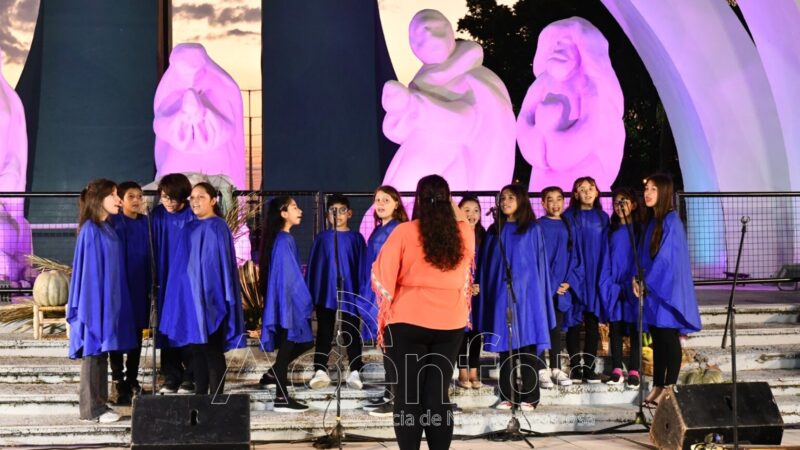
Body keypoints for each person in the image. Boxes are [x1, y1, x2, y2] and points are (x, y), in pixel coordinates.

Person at [371, 174, 474, 450]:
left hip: (406, 322)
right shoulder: (464, 233)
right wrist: (446, 200)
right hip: (450, 324)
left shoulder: (404, 231)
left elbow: (381, 276)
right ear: (448, 200)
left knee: (407, 397)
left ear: (418, 200)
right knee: (437, 396)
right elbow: (459, 218)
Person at [159, 182, 246, 395]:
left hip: (211, 300)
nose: (195, 201)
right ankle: (200, 398)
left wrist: (212, 296)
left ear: (213, 200)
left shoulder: (218, 227)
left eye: (201, 197)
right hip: (191, 299)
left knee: (212, 351)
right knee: (196, 350)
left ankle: (216, 400)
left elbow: (219, 267)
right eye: (192, 197)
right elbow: (181, 266)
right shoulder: (188, 227)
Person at [475, 184, 555, 411]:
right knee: (505, 349)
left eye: (511, 198)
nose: (505, 202)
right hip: (501, 295)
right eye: (503, 198)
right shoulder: (494, 231)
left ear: (521, 200)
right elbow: (488, 267)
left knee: (527, 347)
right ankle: (508, 395)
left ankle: (531, 396)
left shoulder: (531, 229)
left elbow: (538, 266)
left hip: (527, 297)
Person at [67, 179, 138, 423]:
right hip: (95, 301)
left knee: (101, 353)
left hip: (109, 301)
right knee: (93, 351)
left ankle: (100, 404)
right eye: (114, 195)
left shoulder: (107, 226)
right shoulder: (90, 230)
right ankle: (91, 410)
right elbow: (89, 275)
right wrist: (93, 308)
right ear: (100, 199)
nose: (119, 200)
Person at [634, 174, 702, 407]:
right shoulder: (652, 222)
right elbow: (644, 255)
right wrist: (637, 278)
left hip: (666, 292)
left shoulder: (672, 221)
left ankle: (670, 387)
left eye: (654, 189)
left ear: (664, 193)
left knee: (668, 338)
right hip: (652, 290)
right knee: (658, 341)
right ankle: (658, 385)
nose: (648, 193)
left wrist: (647, 281)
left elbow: (666, 260)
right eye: (647, 188)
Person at [258, 196, 314, 412]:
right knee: (290, 345)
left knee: (300, 343)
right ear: (283, 213)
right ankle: (281, 396)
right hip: (287, 303)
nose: (299, 211)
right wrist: (306, 300)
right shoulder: (283, 241)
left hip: (285, 302)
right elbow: (289, 277)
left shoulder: (282, 239)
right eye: (294, 207)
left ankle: (274, 374)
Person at [307, 194, 367, 390]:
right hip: (326, 291)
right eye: (333, 211)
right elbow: (315, 266)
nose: (337, 215)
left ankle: (356, 369)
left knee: (351, 329)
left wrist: (361, 290)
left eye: (342, 210)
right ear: (327, 215)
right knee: (325, 329)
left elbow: (362, 265)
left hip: (350, 290)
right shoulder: (322, 238)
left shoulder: (356, 238)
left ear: (349, 213)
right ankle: (320, 369)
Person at [358, 185, 408, 417]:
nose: (380, 204)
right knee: (386, 348)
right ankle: (389, 393)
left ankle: (395, 398)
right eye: (377, 200)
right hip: (376, 295)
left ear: (396, 203)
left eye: (385, 200)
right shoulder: (380, 229)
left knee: (392, 349)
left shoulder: (398, 229)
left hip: (391, 299)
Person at [151, 173, 196, 394]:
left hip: (187, 283)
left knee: (187, 327)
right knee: (166, 329)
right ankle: (170, 376)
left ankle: (191, 376)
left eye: (172, 198)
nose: (168, 202)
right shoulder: (158, 215)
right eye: (164, 197)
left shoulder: (192, 215)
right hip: (165, 280)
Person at [563, 176, 609, 383]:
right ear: (575, 194)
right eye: (582, 189)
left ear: (597, 192)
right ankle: (575, 367)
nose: (587, 192)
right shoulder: (568, 216)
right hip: (574, 275)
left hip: (595, 275)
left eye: (591, 188)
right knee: (573, 322)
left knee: (592, 323)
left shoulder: (603, 217)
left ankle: (589, 368)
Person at [537, 186, 583, 388]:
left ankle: (556, 367)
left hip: (562, 287)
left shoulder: (568, 225)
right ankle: (540, 369)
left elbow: (574, 256)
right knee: (541, 327)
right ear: (543, 203)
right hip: (543, 286)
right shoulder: (537, 226)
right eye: (550, 199)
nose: (555, 204)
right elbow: (538, 258)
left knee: (556, 328)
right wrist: (552, 284)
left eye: (559, 199)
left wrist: (568, 281)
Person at [108, 182, 150, 404]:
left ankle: (132, 378)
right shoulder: (114, 222)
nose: (136, 200)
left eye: (139, 196)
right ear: (121, 200)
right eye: (131, 196)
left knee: (136, 332)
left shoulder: (146, 224)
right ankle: (117, 380)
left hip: (139, 284)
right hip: (119, 286)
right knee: (117, 331)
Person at [606, 188, 644, 388]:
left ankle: (635, 369)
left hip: (633, 284)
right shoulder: (611, 230)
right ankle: (616, 368)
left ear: (634, 205)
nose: (620, 206)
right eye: (617, 202)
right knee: (616, 326)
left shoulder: (639, 230)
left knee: (635, 327)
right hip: (615, 284)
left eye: (625, 201)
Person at [455, 196, 486, 389]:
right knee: (461, 332)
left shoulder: (485, 235)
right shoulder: (454, 235)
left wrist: (479, 284)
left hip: (478, 292)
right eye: (467, 210)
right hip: (459, 289)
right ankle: (462, 372)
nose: (472, 214)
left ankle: (474, 371)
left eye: (476, 210)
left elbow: (487, 264)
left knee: (476, 332)